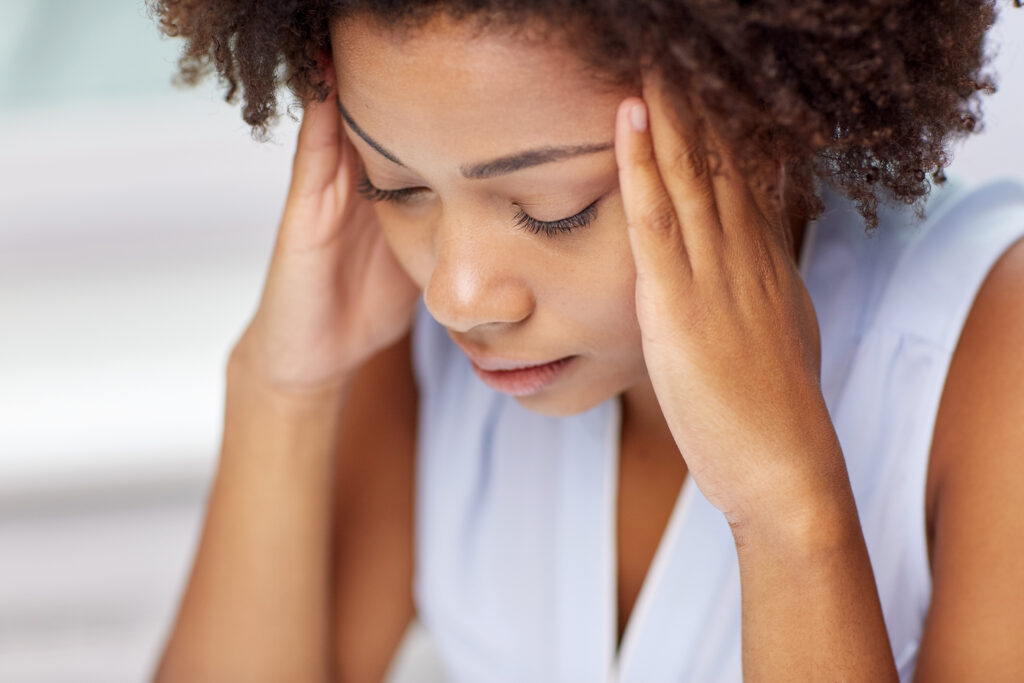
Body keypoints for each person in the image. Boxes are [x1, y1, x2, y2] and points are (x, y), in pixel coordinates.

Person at [150, 1, 1024, 680]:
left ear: (759, 126)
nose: (458, 295)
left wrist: (787, 507)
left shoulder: (988, 354)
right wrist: (278, 388)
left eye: (554, 208)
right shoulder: (408, 331)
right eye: (399, 188)